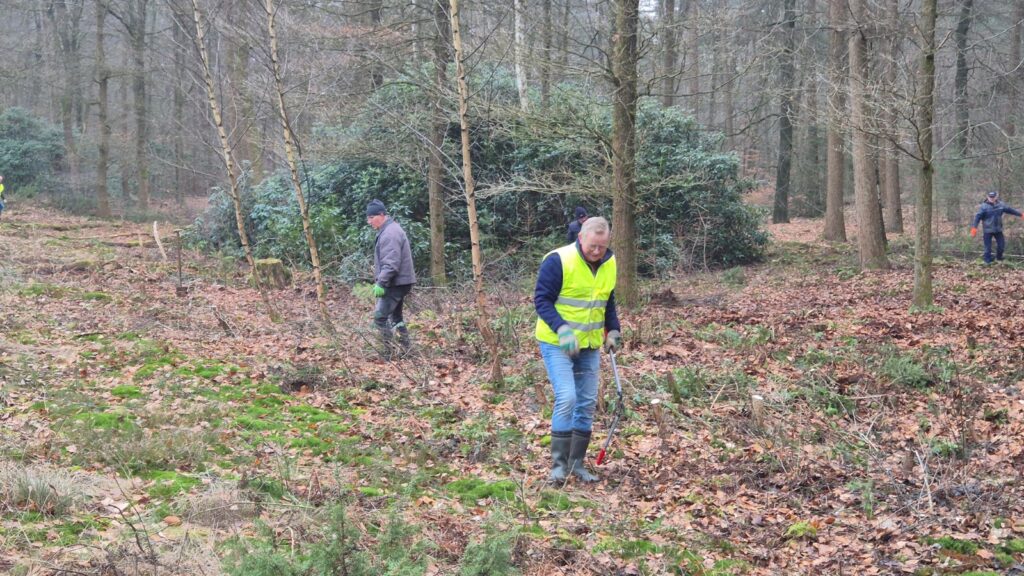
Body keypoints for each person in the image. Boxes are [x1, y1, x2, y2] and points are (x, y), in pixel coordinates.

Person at [535, 216, 621, 484]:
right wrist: (561, 328)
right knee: (567, 397)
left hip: (590, 344)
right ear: (581, 238)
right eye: (592, 246)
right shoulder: (558, 260)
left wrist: (614, 330)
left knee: (585, 403)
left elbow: (608, 301)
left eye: (602, 247)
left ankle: (577, 464)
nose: (597, 252)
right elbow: (541, 299)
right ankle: (558, 466)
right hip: (556, 342)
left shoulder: (610, 263)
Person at [367, 199, 416, 359]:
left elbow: (391, 263)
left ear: (381, 215)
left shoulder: (389, 233)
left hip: (395, 283)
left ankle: (387, 354)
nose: (369, 221)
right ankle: (407, 350)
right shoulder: (390, 229)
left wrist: (381, 282)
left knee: (380, 318)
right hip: (401, 282)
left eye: (371, 217)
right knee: (396, 318)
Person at [970, 191, 1024, 264]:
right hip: (987, 230)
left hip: (998, 230)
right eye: (990, 197)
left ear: (996, 197)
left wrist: (1020, 214)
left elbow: (1010, 210)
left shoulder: (1001, 205)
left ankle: (999, 259)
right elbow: (977, 217)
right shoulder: (984, 206)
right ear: (987, 197)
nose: (991, 198)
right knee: (987, 249)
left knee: (1001, 246)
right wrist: (974, 228)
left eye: (993, 197)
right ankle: (987, 262)